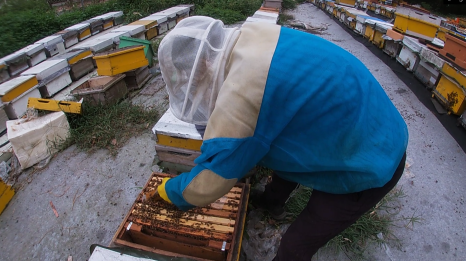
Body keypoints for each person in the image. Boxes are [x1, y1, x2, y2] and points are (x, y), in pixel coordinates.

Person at [156, 16, 408, 260]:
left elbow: (210, 184)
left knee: (295, 245)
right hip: (367, 115)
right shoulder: (253, 36)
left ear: (201, 64)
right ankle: (271, 202)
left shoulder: (242, 99)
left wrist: (169, 191)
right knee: (281, 141)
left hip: (369, 160)